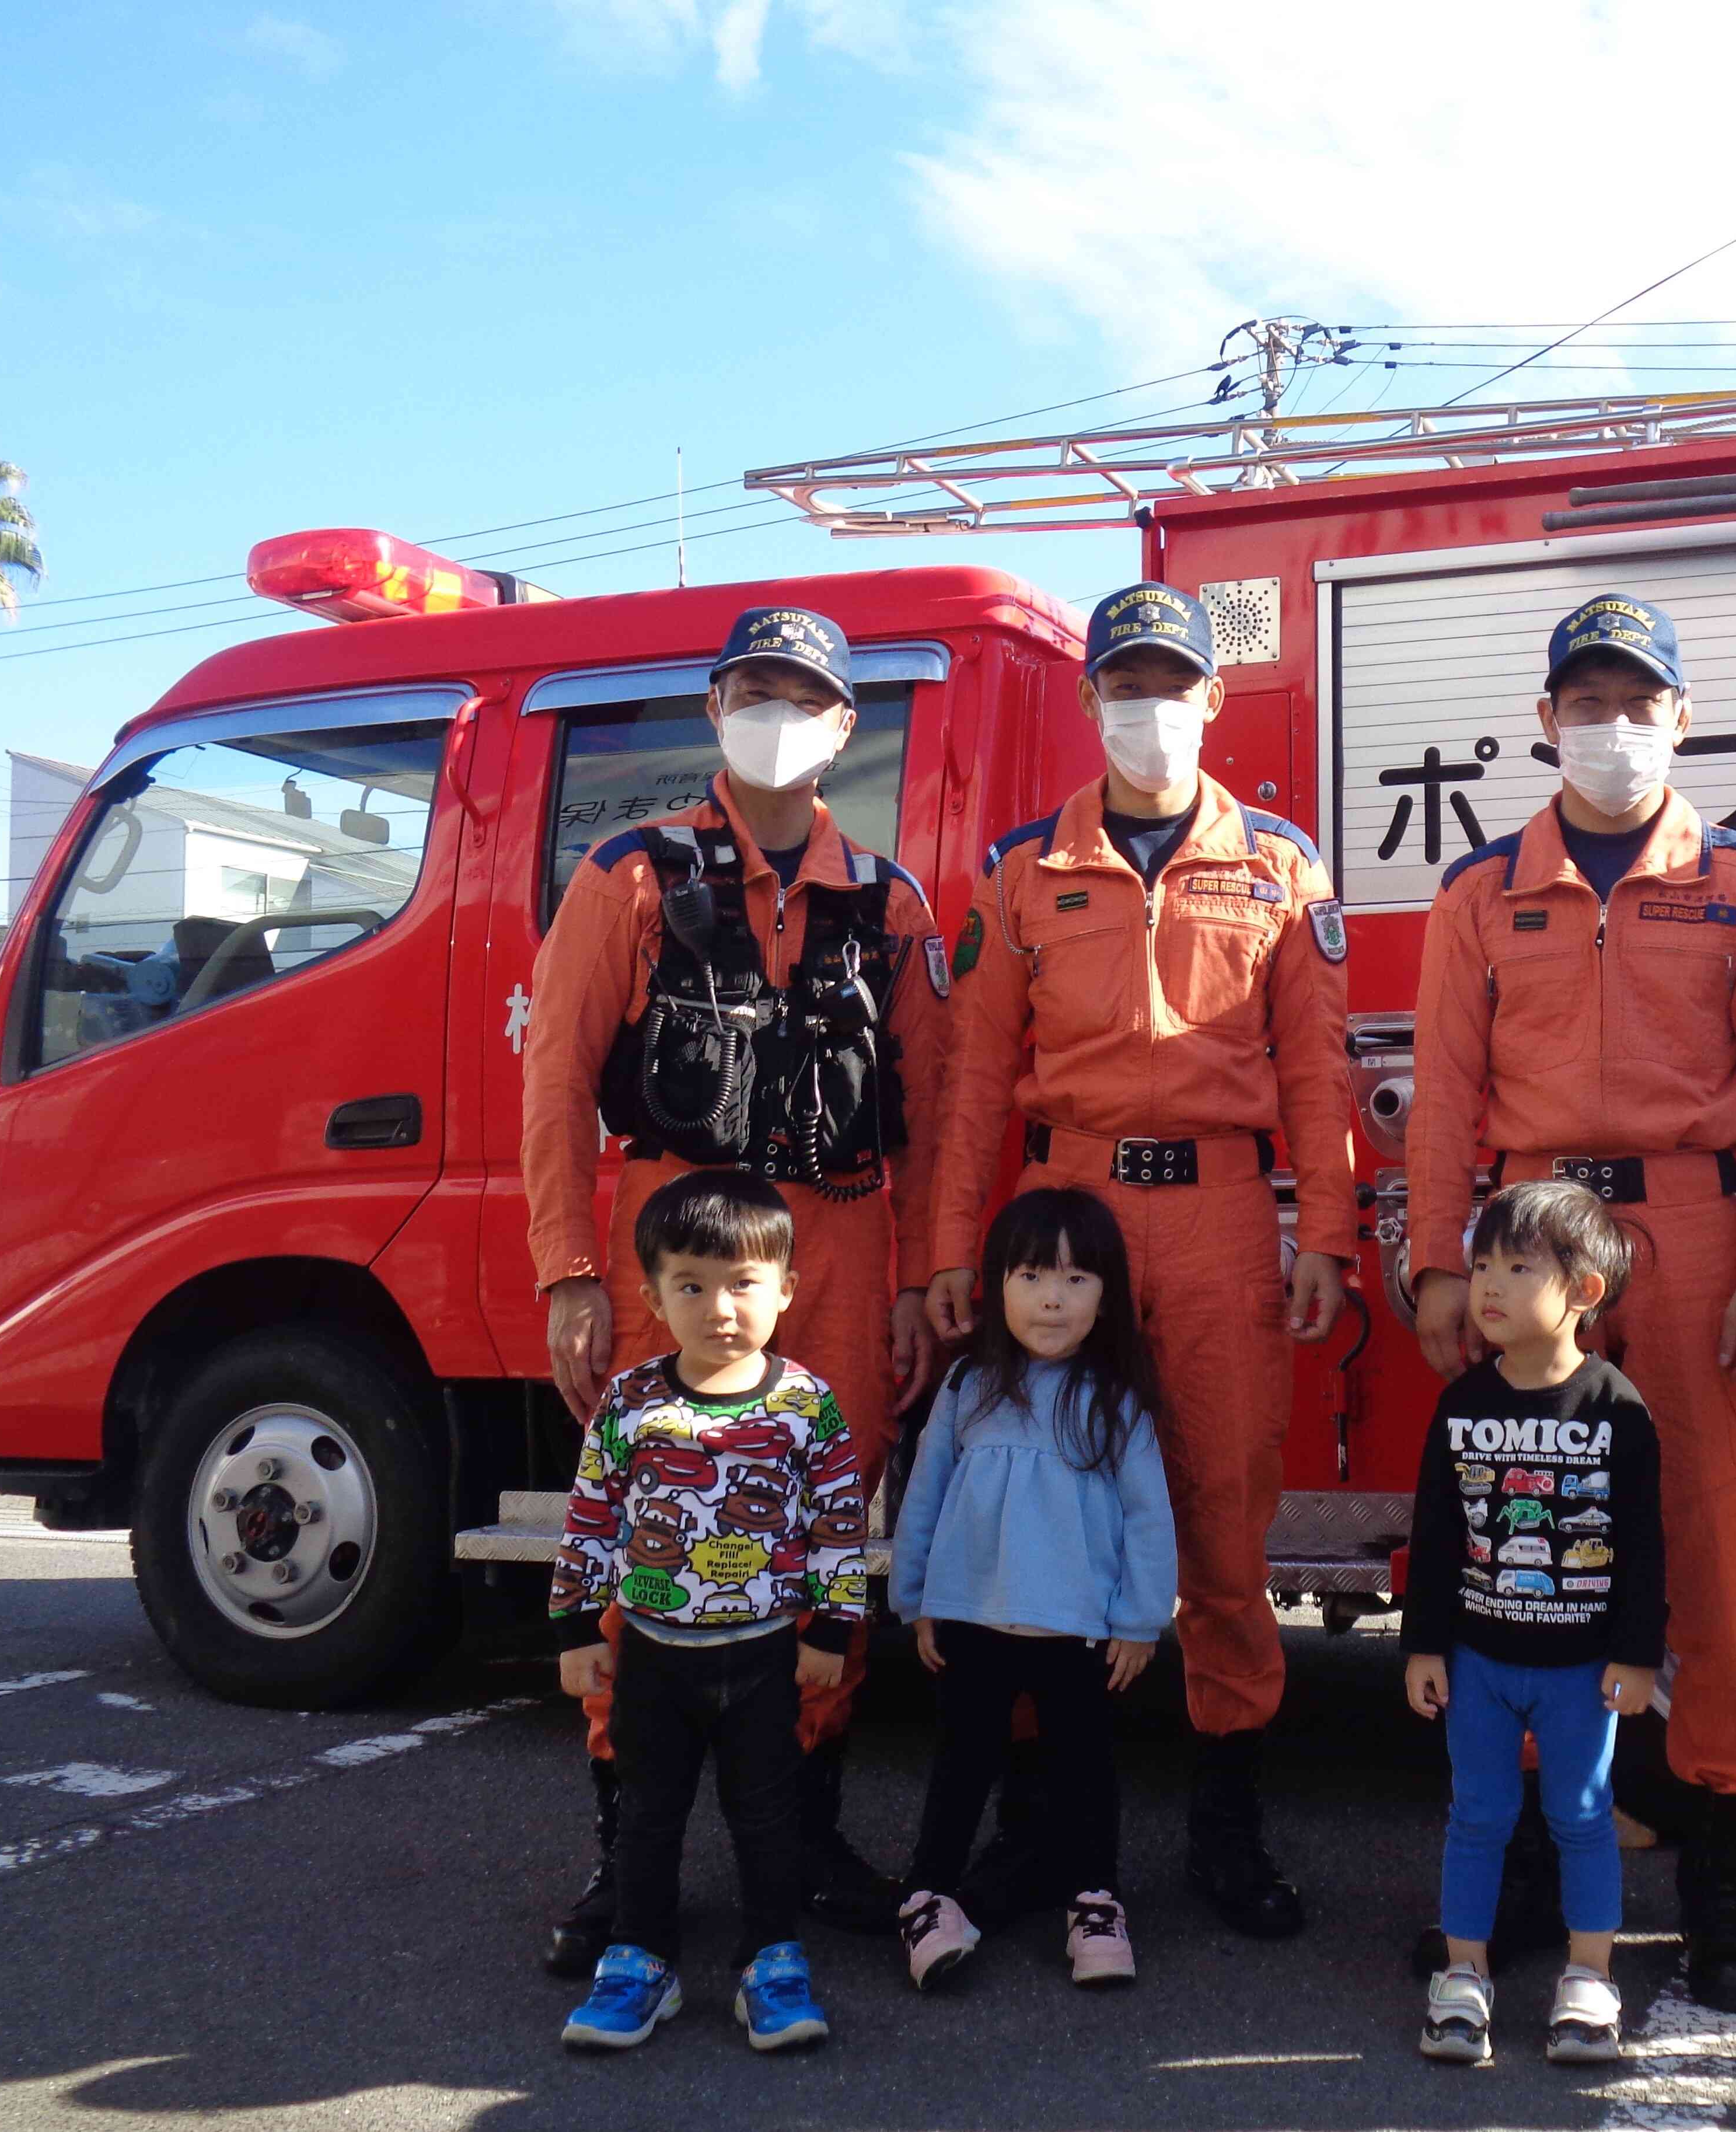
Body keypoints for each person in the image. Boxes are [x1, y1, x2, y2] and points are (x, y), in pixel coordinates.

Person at [1405, 592, 1736, 2011]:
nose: (1611, 728)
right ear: (1544, 726)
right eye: (1585, 705)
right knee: (1520, 1549)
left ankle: (1720, 1870)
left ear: (1681, 722)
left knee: (1714, 1555)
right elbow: (1444, 1098)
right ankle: (1517, 1859)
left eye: (1638, 704)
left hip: (1694, 1229)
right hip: (1530, 1236)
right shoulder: (1479, 894)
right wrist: (1440, 1265)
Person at [927, 581, 1355, 1940]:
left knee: (1223, 1524)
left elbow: (1319, 1072)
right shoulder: (1024, 870)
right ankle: (1038, 1832)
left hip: (1226, 1220)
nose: (1149, 706)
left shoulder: (1280, 864)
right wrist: (952, 1252)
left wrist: (1328, 1237)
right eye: (1126, 682)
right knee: (1041, 1520)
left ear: (1213, 702)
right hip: (1071, 1221)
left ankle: (1226, 1827)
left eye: (1173, 682)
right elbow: (975, 1079)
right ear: (1090, 698)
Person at [525, 603, 947, 1966]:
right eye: (752, 688)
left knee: (826, 1533)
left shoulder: (889, 899)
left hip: (839, 1243)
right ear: (715, 709)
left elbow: (933, 1112)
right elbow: (556, 1086)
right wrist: (570, 1272)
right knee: (654, 1531)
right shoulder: (630, 876)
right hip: (676, 1240)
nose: (777, 712)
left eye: (804, 695)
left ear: (841, 728)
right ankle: (623, 1848)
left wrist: (919, 1280)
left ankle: (802, 1828)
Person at [547, 1170, 860, 2054]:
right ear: (650, 1294)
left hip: (765, 1657)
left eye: (743, 1283)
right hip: (654, 1657)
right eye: (691, 1285)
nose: (719, 1307)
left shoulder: (807, 1406)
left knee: (768, 1814)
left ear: (786, 1289)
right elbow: (592, 1517)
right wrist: (575, 1628)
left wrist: (832, 1629)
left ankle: (772, 1956)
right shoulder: (632, 1403)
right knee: (648, 1811)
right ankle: (641, 1958)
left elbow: (840, 1522)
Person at [891, 1187, 1179, 1994]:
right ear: (997, 1285)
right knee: (962, 1762)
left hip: (1078, 1629)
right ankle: (927, 1895)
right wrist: (915, 1599)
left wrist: (1140, 1620)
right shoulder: (967, 1386)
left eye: (1077, 1277)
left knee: (1085, 1770)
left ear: (1107, 1295)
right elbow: (926, 1492)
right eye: (1030, 1274)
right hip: (971, 1620)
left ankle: (1094, 1903)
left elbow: (1148, 1517)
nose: (1053, 1296)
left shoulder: (1116, 1399)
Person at [1402, 1181, 1665, 2068]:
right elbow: (1437, 1534)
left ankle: (1589, 1979)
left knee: (1582, 1815)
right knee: (1476, 1814)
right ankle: (1463, 1977)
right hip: (1478, 1659)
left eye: (1520, 1267)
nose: (1490, 1285)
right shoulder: (1462, 1405)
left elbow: (1641, 1544)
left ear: (1585, 1291)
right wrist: (1423, 1643)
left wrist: (1637, 1654)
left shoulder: (1617, 1407)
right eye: (1483, 1265)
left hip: (1581, 1669)